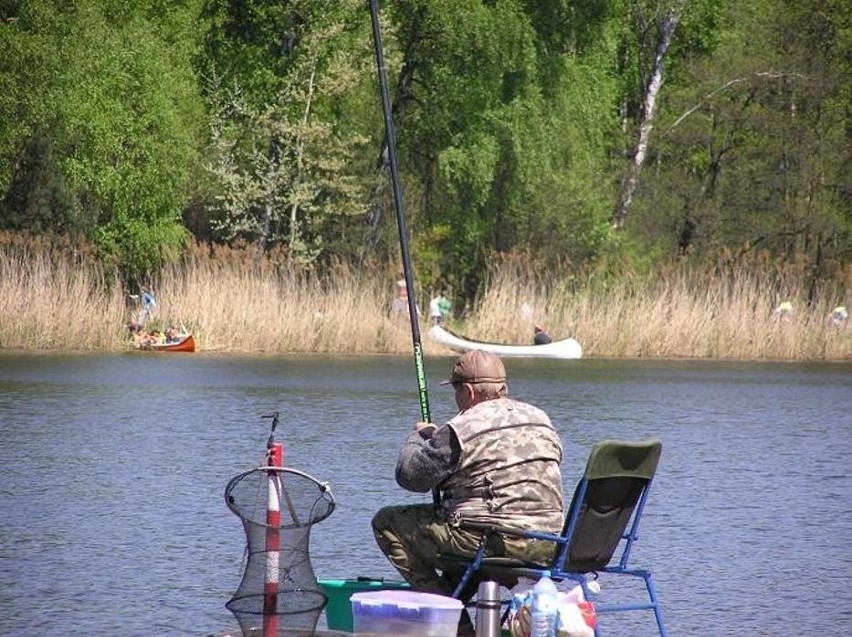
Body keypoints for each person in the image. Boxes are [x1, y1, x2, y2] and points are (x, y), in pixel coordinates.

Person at [372, 350, 564, 605]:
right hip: (551, 542)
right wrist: (437, 437)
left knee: (386, 522)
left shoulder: (460, 428)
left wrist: (418, 438)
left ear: (469, 392)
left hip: (496, 542)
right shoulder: (541, 419)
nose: (456, 398)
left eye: (456, 390)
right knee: (466, 526)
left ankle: (452, 623)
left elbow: (410, 477)